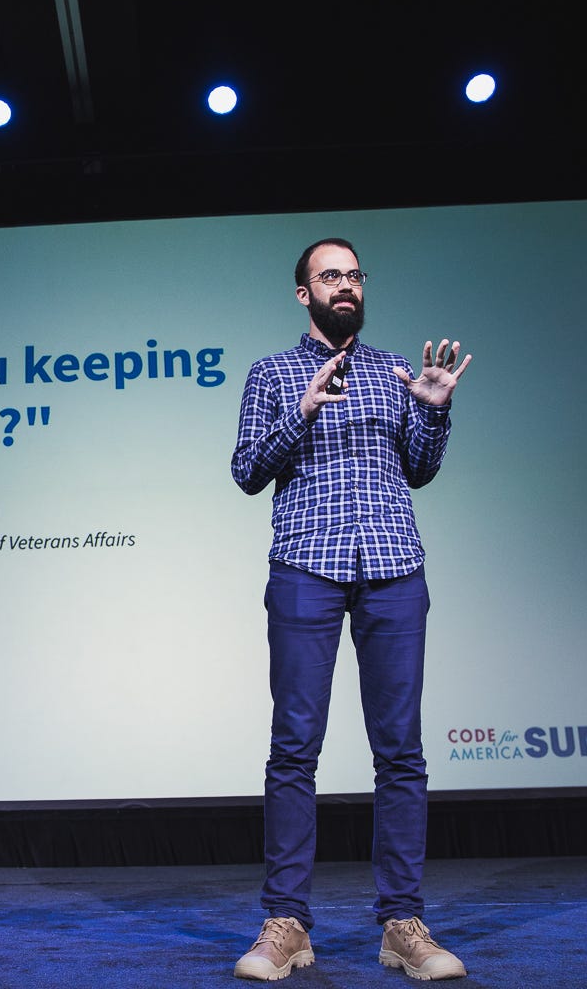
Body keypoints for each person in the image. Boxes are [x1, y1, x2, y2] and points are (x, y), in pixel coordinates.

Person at [230, 239, 471, 982]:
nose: (345, 285)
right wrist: (302, 411)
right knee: (294, 749)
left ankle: (403, 925)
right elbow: (246, 471)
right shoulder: (272, 373)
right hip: (306, 566)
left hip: (394, 567)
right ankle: (286, 925)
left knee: (401, 752)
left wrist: (434, 408)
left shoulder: (396, 370)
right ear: (304, 294)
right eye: (330, 276)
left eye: (354, 276)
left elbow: (420, 469)